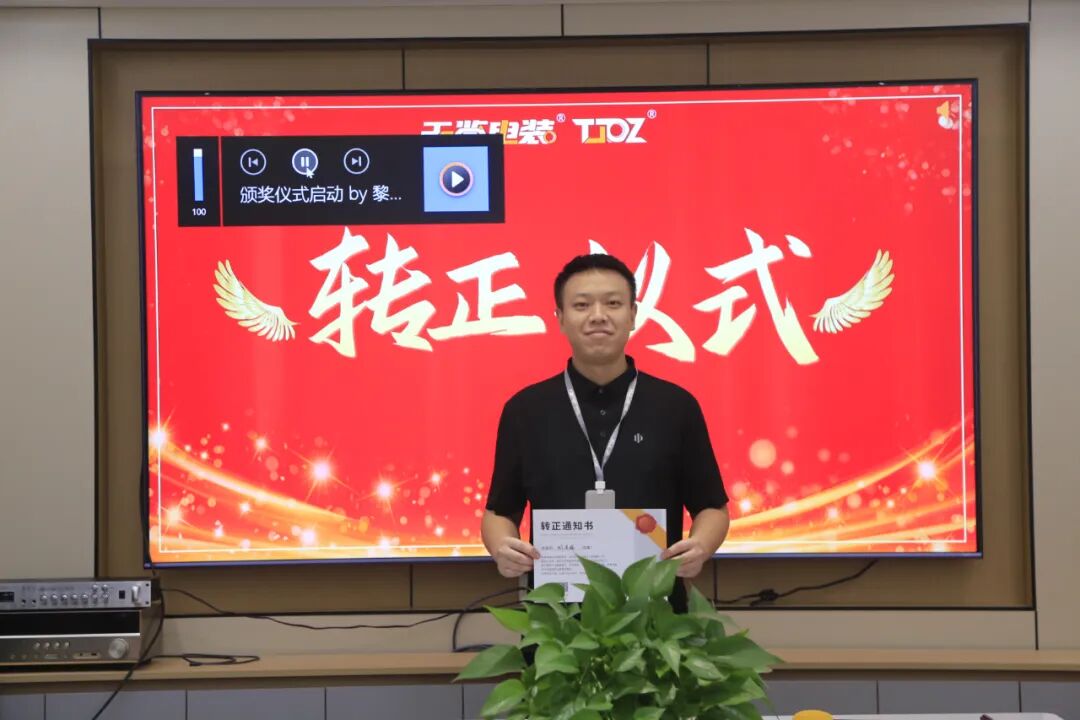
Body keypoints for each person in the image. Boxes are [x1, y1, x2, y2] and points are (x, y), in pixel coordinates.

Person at [482, 253, 730, 612]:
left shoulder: (676, 406)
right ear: (560, 318)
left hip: (657, 620)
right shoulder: (525, 410)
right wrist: (501, 547)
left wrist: (702, 546)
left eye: (613, 303)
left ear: (632, 315)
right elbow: (499, 512)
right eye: (581, 305)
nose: (598, 315)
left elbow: (712, 507)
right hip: (556, 624)